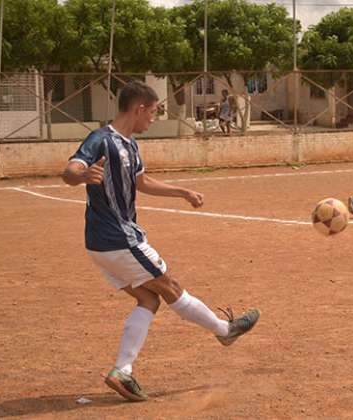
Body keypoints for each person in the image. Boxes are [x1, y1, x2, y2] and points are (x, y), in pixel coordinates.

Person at [61, 81, 260, 402]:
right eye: (152, 112)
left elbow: (142, 182)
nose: (153, 119)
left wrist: (182, 192)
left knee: (149, 300)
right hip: (119, 239)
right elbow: (71, 170)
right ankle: (226, 331)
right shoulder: (102, 139)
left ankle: (122, 372)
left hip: (101, 245)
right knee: (170, 287)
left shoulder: (131, 145)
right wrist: (81, 176)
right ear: (138, 108)